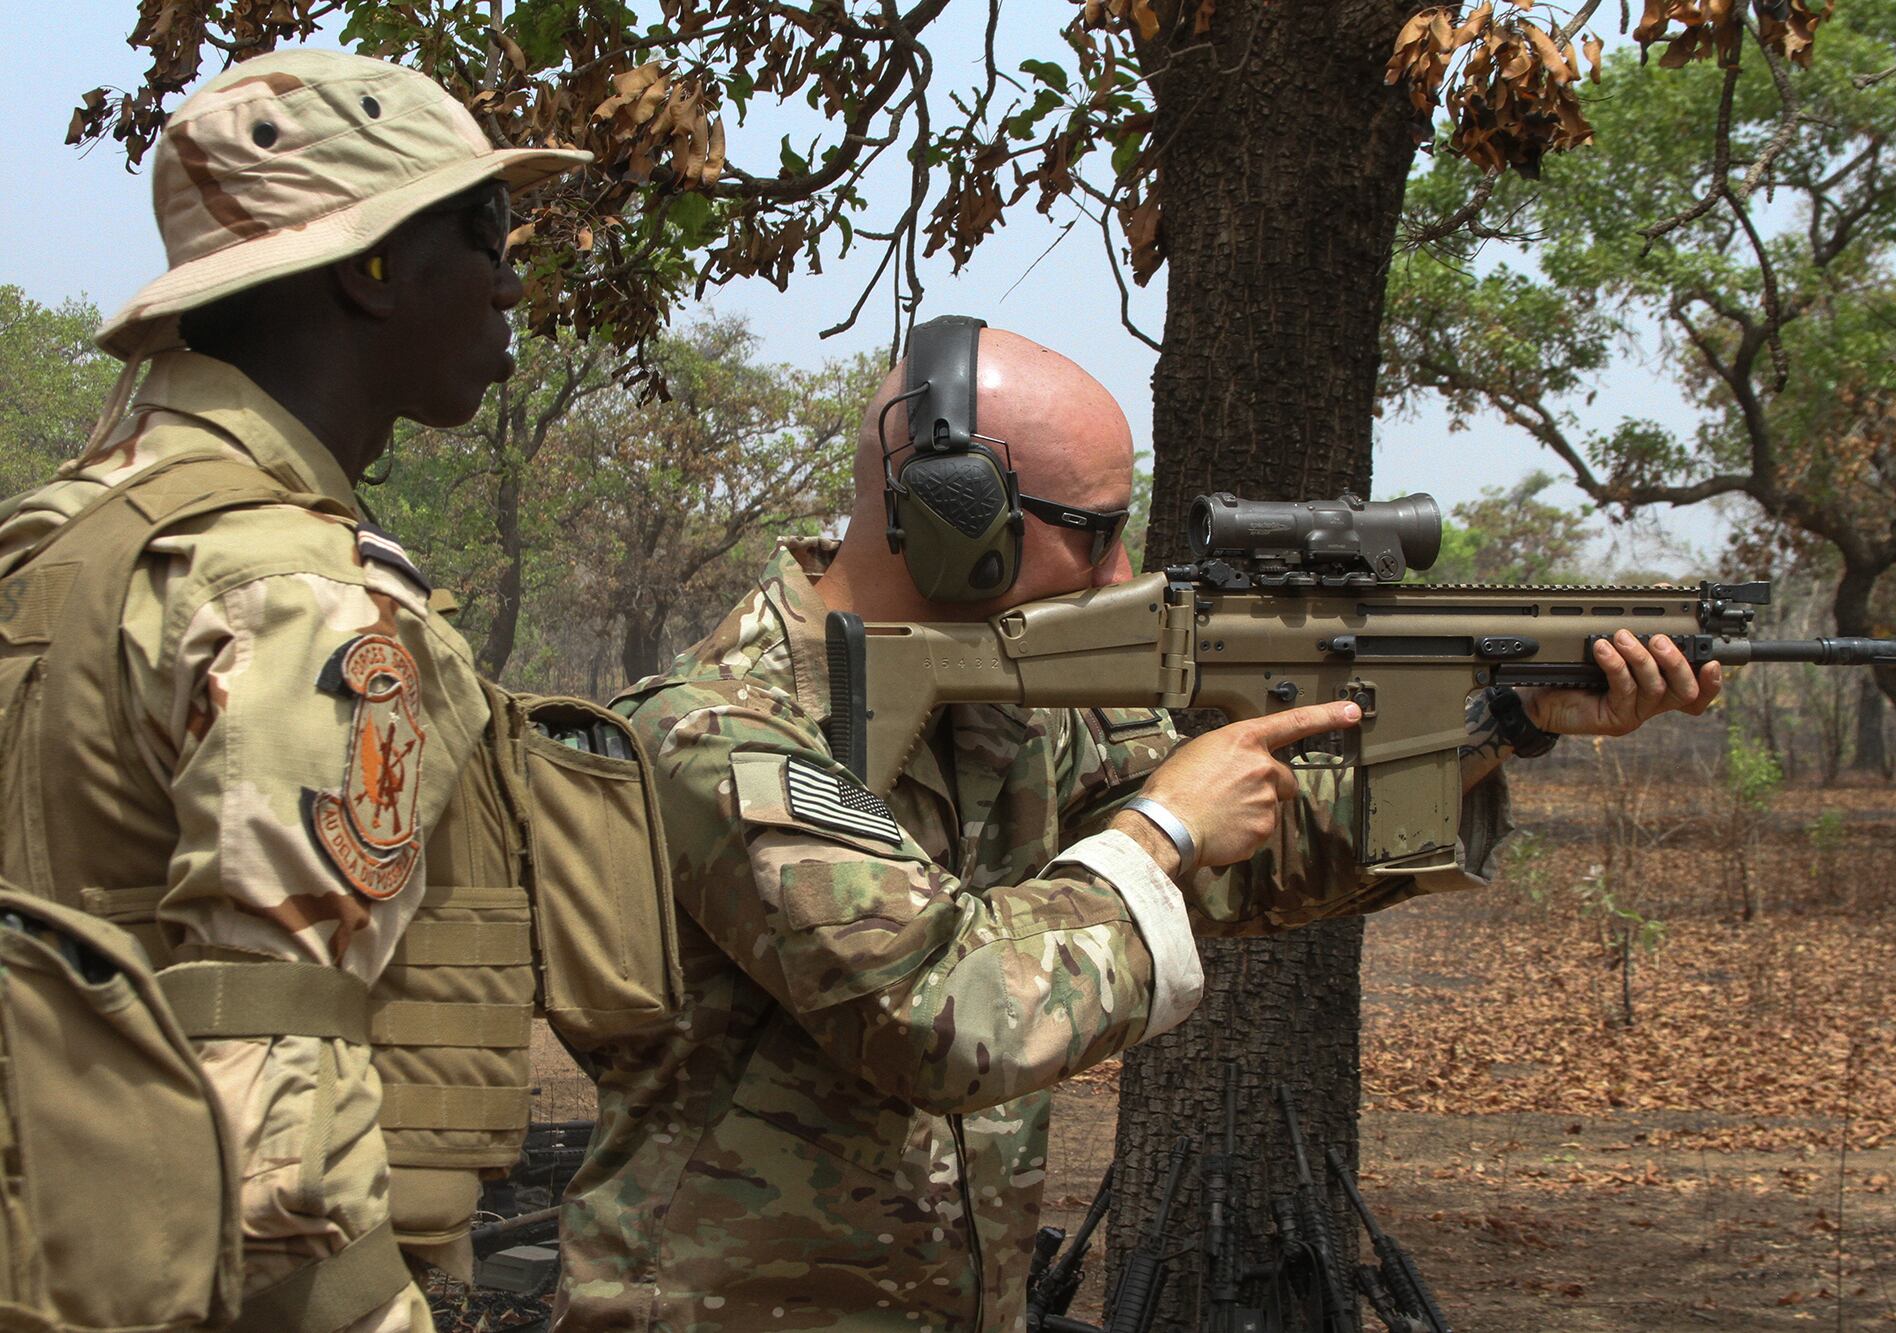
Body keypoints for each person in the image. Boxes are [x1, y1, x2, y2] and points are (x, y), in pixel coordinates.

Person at [552, 320, 1722, 1331]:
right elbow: (937, 1016)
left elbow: (1241, 867)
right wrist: (1159, 826)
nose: (1121, 568)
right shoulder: (720, 736)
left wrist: (1499, 724)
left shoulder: (1004, 714)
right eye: (1092, 529)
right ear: (958, 517)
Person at [0, 50, 588, 1331]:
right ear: (367, 271)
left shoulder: (59, 539)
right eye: (481, 229)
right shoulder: (292, 590)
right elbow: (275, 1149)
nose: (509, 277)